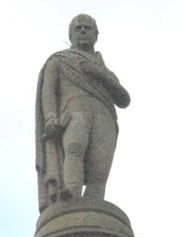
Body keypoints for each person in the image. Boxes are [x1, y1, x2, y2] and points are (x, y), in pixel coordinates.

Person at [36, 14, 130, 212]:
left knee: (100, 162)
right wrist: (51, 116)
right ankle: (71, 193)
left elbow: (124, 99)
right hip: (74, 112)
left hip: (104, 116)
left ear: (96, 35)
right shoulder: (59, 61)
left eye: (88, 28)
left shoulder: (104, 70)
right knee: (74, 147)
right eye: (78, 29)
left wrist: (101, 74)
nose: (83, 31)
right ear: (71, 36)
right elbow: (48, 91)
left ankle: (95, 205)